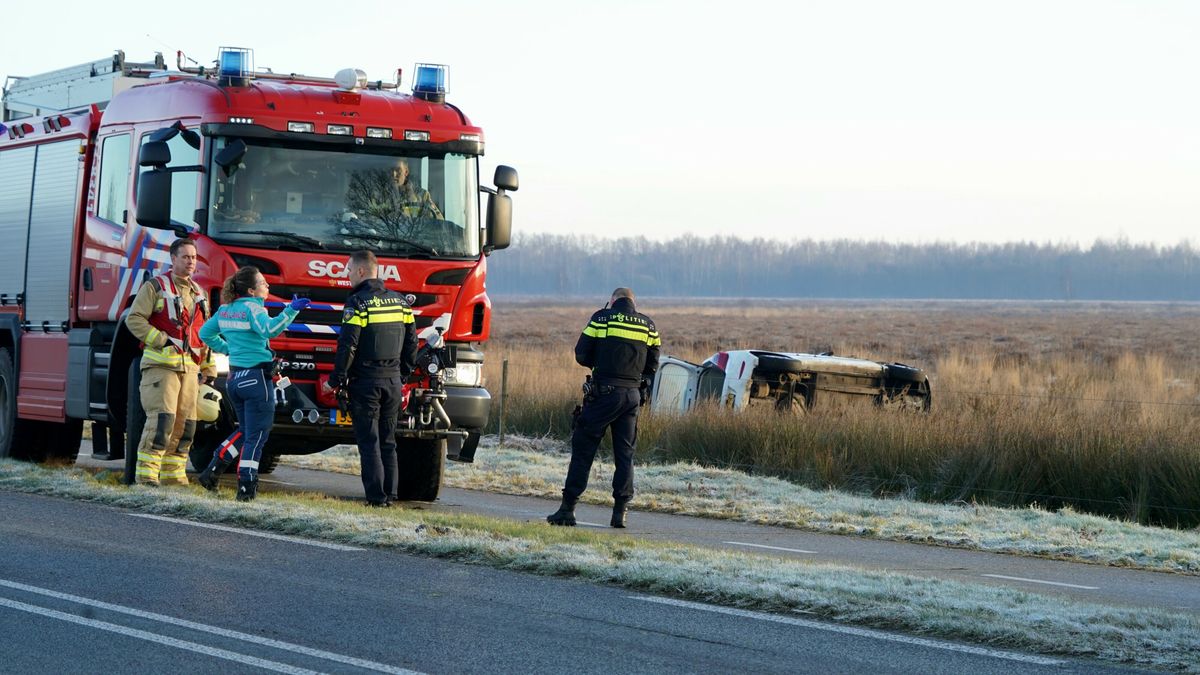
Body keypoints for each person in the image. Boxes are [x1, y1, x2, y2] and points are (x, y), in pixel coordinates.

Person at [547, 287, 661, 528]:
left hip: (603, 394)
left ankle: (567, 509)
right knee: (625, 455)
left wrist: (600, 362)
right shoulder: (648, 326)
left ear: (612, 300)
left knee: (583, 450)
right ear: (633, 302)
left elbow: (581, 354)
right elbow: (652, 364)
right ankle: (620, 513)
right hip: (631, 396)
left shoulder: (601, 318)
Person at [196, 267, 308, 500]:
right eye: (263, 282)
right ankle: (246, 487)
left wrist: (228, 349)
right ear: (251, 290)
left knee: (246, 431)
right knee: (257, 436)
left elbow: (205, 333)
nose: (267, 286)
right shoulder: (254, 308)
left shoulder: (226, 310)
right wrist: (291, 311)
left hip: (235, 380)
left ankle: (212, 471)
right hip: (256, 380)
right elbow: (271, 329)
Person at [322, 250, 417, 507]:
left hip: (366, 383)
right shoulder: (401, 303)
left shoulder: (358, 304)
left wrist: (335, 380)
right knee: (388, 440)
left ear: (362, 271)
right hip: (393, 382)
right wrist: (403, 374)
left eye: (349, 270)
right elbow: (412, 344)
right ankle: (390, 494)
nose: (348, 275)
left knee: (369, 442)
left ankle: (376, 498)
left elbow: (348, 345)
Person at [124, 238, 216, 486]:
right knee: (161, 421)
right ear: (172, 259)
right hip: (161, 367)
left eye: (194, 258)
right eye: (185, 257)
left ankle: (174, 478)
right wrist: (160, 340)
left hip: (190, 369)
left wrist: (208, 366)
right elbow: (134, 320)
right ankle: (146, 476)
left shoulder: (199, 293)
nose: (191, 262)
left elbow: (203, 332)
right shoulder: (155, 287)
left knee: (186, 426)